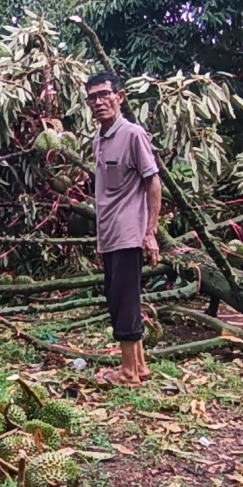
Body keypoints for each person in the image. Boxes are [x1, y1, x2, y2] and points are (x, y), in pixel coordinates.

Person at [85, 71, 163, 386]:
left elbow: (153, 181)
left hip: (130, 233)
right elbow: (104, 195)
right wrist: (100, 239)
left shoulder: (133, 134)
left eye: (105, 94)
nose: (99, 102)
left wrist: (150, 231)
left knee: (125, 301)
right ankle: (140, 366)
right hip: (110, 235)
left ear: (120, 97)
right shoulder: (99, 141)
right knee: (118, 299)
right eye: (92, 97)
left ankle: (128, 373)